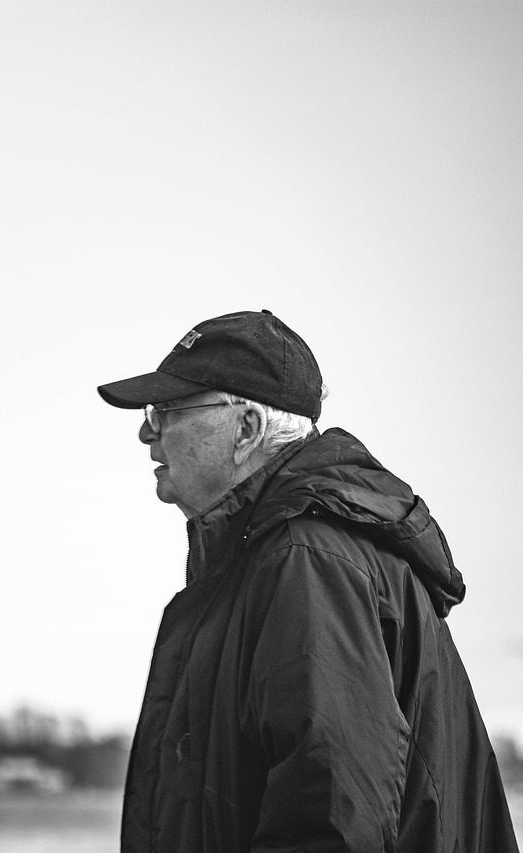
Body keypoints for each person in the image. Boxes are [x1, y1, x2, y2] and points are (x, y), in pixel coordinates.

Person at [97, 309, 518, 853]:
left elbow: (334, 821)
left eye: (169, 410)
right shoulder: (271, 557)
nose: (145, 431)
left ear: (246, 429)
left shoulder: (307, 560)